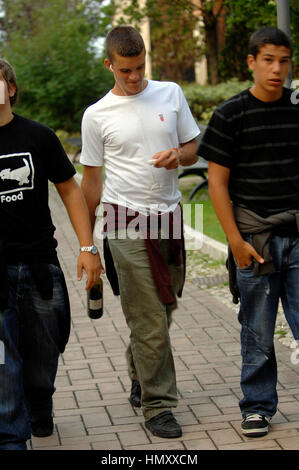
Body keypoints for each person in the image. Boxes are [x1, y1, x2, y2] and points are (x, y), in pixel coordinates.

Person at [80, 25, 199, 438]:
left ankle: (140, 372)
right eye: (125, 70)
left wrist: (178, 157)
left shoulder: (170, 93)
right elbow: (91, 182)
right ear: (109, 64)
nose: (134, 78)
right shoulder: (97, 115)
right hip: (122, 221)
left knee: (164, 309)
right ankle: (158, 406)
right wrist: (87, 244)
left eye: (140, 68)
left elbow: (193, 147)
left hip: (168, 218)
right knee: (148, 319)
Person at [198, 27, 299, 438]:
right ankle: (257, 406)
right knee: (257, 328)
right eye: (269, 60)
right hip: (254, 240)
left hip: (297, 233)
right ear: (251, 62)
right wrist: (234, 241)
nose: (277, 70)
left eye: (285, 61)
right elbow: (216, 183)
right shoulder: (230, 114)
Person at [0, 58, 103, 450]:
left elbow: (69, 190)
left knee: (44, 351)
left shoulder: (38, 136)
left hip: (39, 263)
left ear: (11, 88)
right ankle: (11, 435)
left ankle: (39, 399)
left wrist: (87, 246)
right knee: (3, 361)